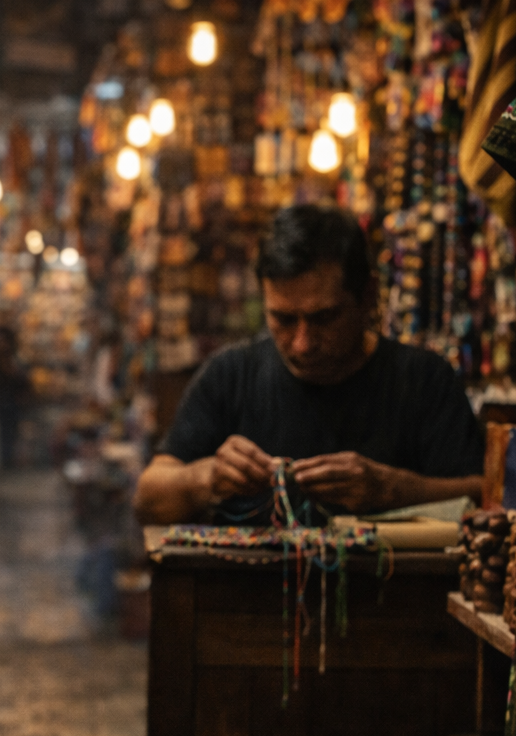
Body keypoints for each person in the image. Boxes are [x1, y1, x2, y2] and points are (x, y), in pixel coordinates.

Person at [134, 204, 483, 524]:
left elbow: (487, 498)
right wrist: (206, 479)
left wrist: (397, 492)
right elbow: (148, 499)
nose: (303, 344)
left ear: (367, 298)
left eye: (324, 318)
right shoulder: (230, 376)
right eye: (283, 320)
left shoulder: (422, 380)